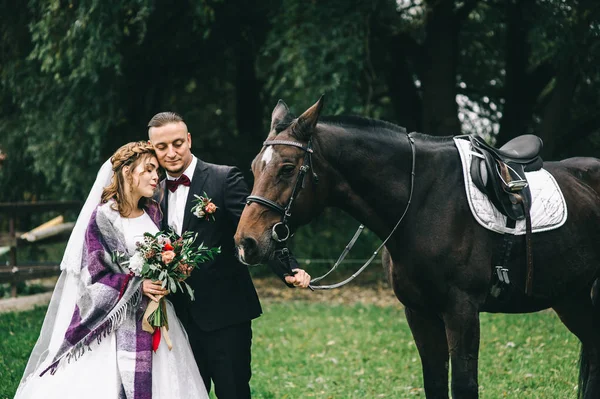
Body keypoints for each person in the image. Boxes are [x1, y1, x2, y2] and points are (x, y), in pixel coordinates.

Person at [15, 142, 209, 399]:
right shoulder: (104, 217)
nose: (156, 177)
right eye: (149, 169)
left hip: (156, 317)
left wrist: (171, 271)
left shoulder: (154, 211)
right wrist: (138, 286)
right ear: (128, 172)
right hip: (114, 323)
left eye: (157, 171)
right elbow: (94, 275)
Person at [147, 112, 311, 399]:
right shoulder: (152, 192)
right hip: (176, 319)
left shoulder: (224, 179)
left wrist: (289, 268)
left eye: (177, 144)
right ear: (153, 148)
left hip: (225, 316)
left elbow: (257, 230)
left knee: (232, 392)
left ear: (189, 140)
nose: (171, 153)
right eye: (162, 147)